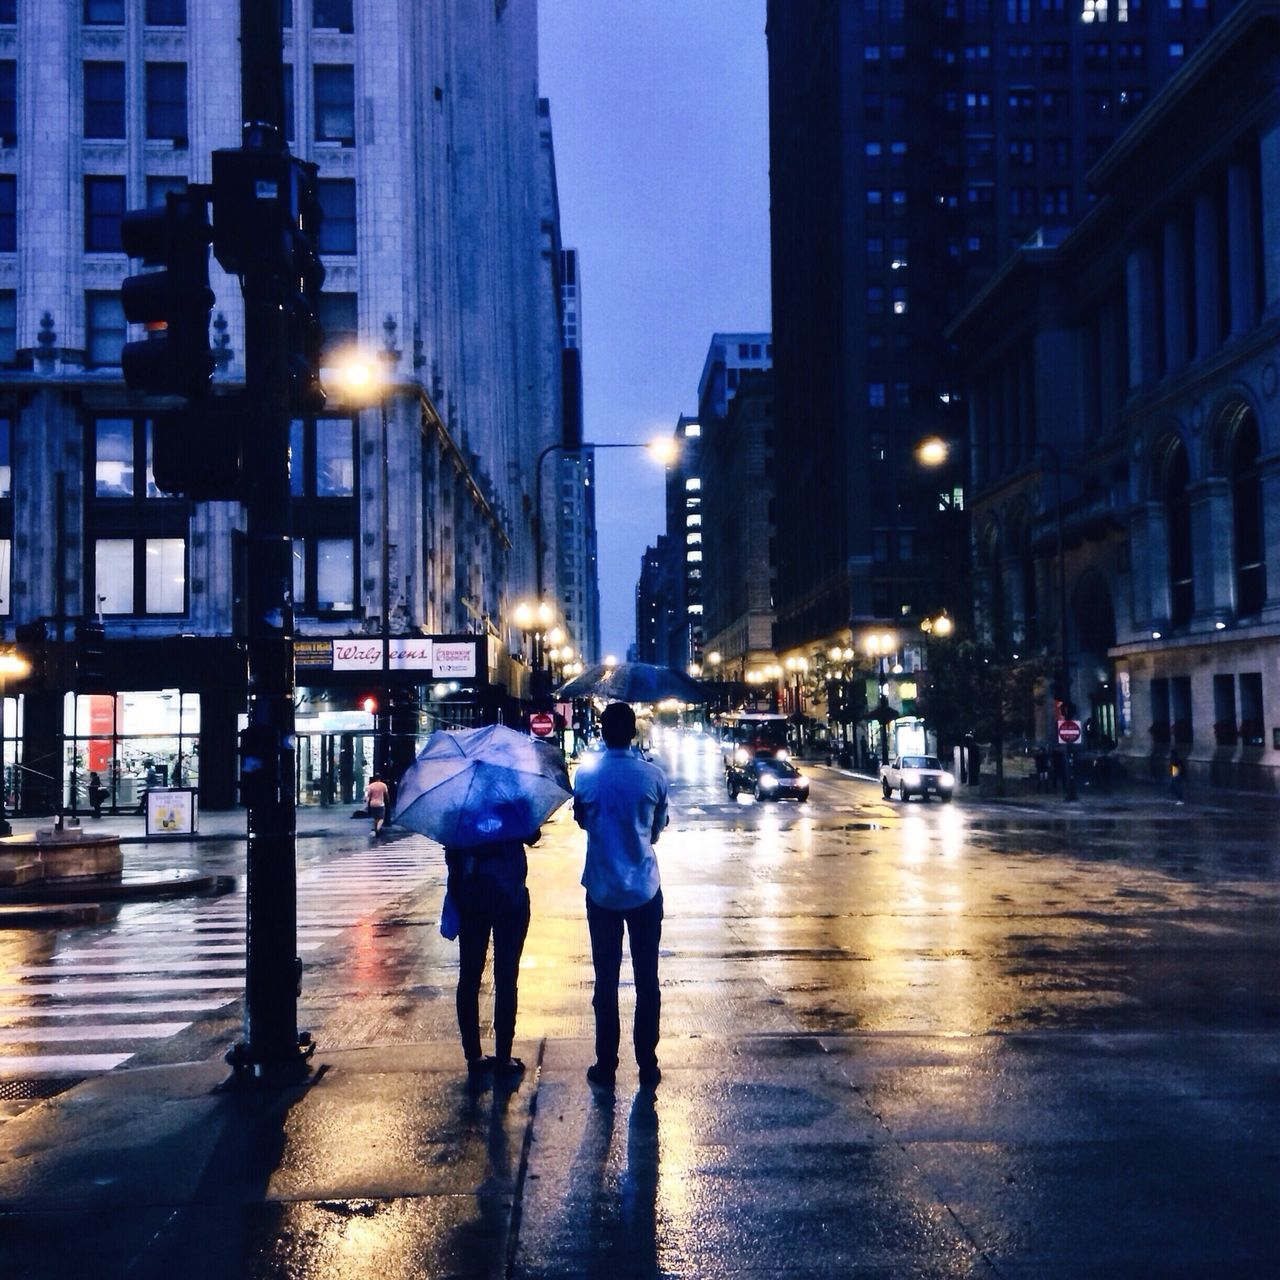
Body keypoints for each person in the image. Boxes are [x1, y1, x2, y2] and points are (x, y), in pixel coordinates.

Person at [573, 701, 669, 1090]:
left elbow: (582, 820)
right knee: (648, 980)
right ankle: (647, 1063)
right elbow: (657, 829)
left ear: (601, 731)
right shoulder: (653, 776)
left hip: (602, 890)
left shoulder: (586, 777)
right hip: (645, 889)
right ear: (633, 733)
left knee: (605, 981)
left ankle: (606, 1063)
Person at [444, 824, 536, 1082]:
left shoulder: (461, 806)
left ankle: (474, 1055)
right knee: (506, 977)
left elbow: (451, 850)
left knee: (470, 977)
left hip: (472, 898)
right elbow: (532, 834)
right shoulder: (513, 801)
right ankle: (504, 1056)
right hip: (509, 897)